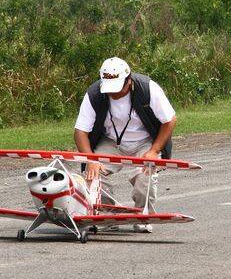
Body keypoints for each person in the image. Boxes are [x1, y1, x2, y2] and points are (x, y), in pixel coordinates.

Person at [73, 57, 177, 233]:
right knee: (93, 172)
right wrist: (91, 159)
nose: (112, 93)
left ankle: (143, 217)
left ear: (129, 81)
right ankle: (107, 216)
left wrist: (154, 151)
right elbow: (80, 132)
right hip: (111, 141)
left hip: (145, 141)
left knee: (145, 175)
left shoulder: (148, 88)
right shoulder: (95, 93)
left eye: (117, 87)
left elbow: (169, 120)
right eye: (109, 88)